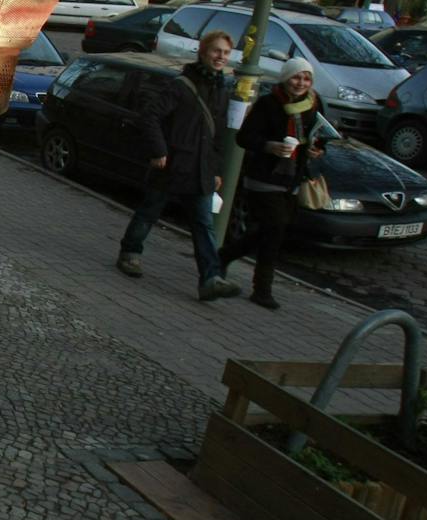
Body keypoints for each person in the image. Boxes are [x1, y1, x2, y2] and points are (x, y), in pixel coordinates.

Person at [116, 29, 240, 301]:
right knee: (149, 211)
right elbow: (150, 116)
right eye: (216, 51)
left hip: (201, 170)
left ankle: (210, 278)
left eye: (226, 53)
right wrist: (159, 150)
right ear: (203, 52)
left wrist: (216, 169)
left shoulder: (221, 88)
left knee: (203, 225)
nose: (221, 57)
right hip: (173, 165)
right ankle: (130, 252)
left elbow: (216, 133)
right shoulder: (181, 86)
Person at [220, 57, 325, 310]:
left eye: (306, 78)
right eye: (296, 77)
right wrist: (269, 146)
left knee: (272, 230)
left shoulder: (314, 104)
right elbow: (244, 137)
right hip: (264, 177)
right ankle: (262, 289)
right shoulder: (268, 104)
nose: (301, 83)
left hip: (292, 178)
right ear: (285, 78)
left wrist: (316, 150)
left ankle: (224, 255)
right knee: (275, 229)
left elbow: (321, 136)